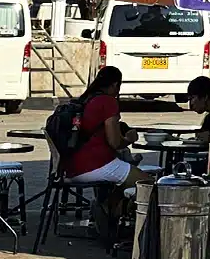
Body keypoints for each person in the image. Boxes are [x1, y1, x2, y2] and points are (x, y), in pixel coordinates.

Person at [65, 66, 154, 217]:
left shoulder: (86, 99)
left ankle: (107, 211)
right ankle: (119, 217)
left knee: (122, 185)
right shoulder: (107, 102)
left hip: (71, 167)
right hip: (96, 165)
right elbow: (114, 142)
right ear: (114, 85)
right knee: (149, 185)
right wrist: (129, 139)